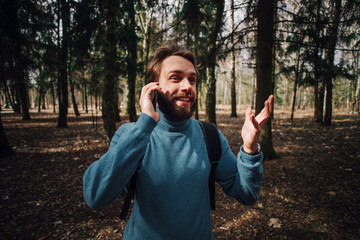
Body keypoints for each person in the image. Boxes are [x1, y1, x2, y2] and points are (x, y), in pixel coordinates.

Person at [83, 43, 274, 239]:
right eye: (176, 78)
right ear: (153, 87)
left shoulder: (210, 136)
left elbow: (247, 194)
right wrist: (144, 126)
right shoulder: (131, 134)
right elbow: (95, 195)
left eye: (192, 80)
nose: (187, 87)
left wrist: (250, 149)